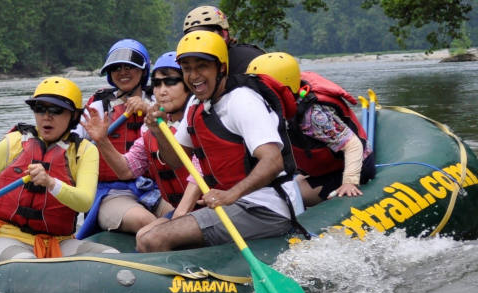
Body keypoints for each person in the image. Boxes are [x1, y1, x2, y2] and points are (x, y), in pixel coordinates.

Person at [137, 31, 299, 252]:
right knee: (145, 236)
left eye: (202, 66)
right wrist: (157, 131)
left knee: (153, 240)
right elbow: (175, 160)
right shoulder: (196, 104)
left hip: (265, 207)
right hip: (233, 205)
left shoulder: (242, 100)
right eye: (186, 68)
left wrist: (231, 194)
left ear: (221, 68)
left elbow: (273, 161)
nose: (194, 75)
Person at [0, 77, 118, 263]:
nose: (47, 116)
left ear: (73, 115)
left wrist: (50, 183)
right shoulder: (12, 143)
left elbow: (85, 202)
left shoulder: (85, 151)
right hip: (6, 236)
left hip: (58, 243)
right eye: (40, 109)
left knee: (111, 257)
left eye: (56, 110)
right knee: (26, 262)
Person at [80, 51, 202, 235]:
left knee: (154, 232)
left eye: (170, 82)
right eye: (158, 84)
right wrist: (102, 140)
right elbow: (126, 170)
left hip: (209, 206)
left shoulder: (201, 121)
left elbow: (198, 172)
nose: (162, 90)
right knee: (145, 236)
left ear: (189, 86)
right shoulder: (147, 129)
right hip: (114, 192)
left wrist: (179, 215)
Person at [246, 52, 376, 206]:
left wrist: (350, 182)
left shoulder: (313, 116)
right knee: (285, 187)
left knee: (294, 195)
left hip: (355, 167)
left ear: (284, 90)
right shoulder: (275, 112)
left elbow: (353, 145)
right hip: (324, 169)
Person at [74, 39, 161, 237]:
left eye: (130, 66)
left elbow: (177, 126)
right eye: (116, 68)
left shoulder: (157, 101)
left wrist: (148, 109)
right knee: (146, 222)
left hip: (154, 188)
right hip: (111, 193)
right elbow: (70, 138)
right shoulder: (98, 107)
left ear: (143, 70)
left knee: (183, 217)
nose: (123, 72)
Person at [182, 5, 264, 75]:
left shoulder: (249, 59)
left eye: (204, 36)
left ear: (223, 35)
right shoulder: (191, 67)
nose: (198, 42)